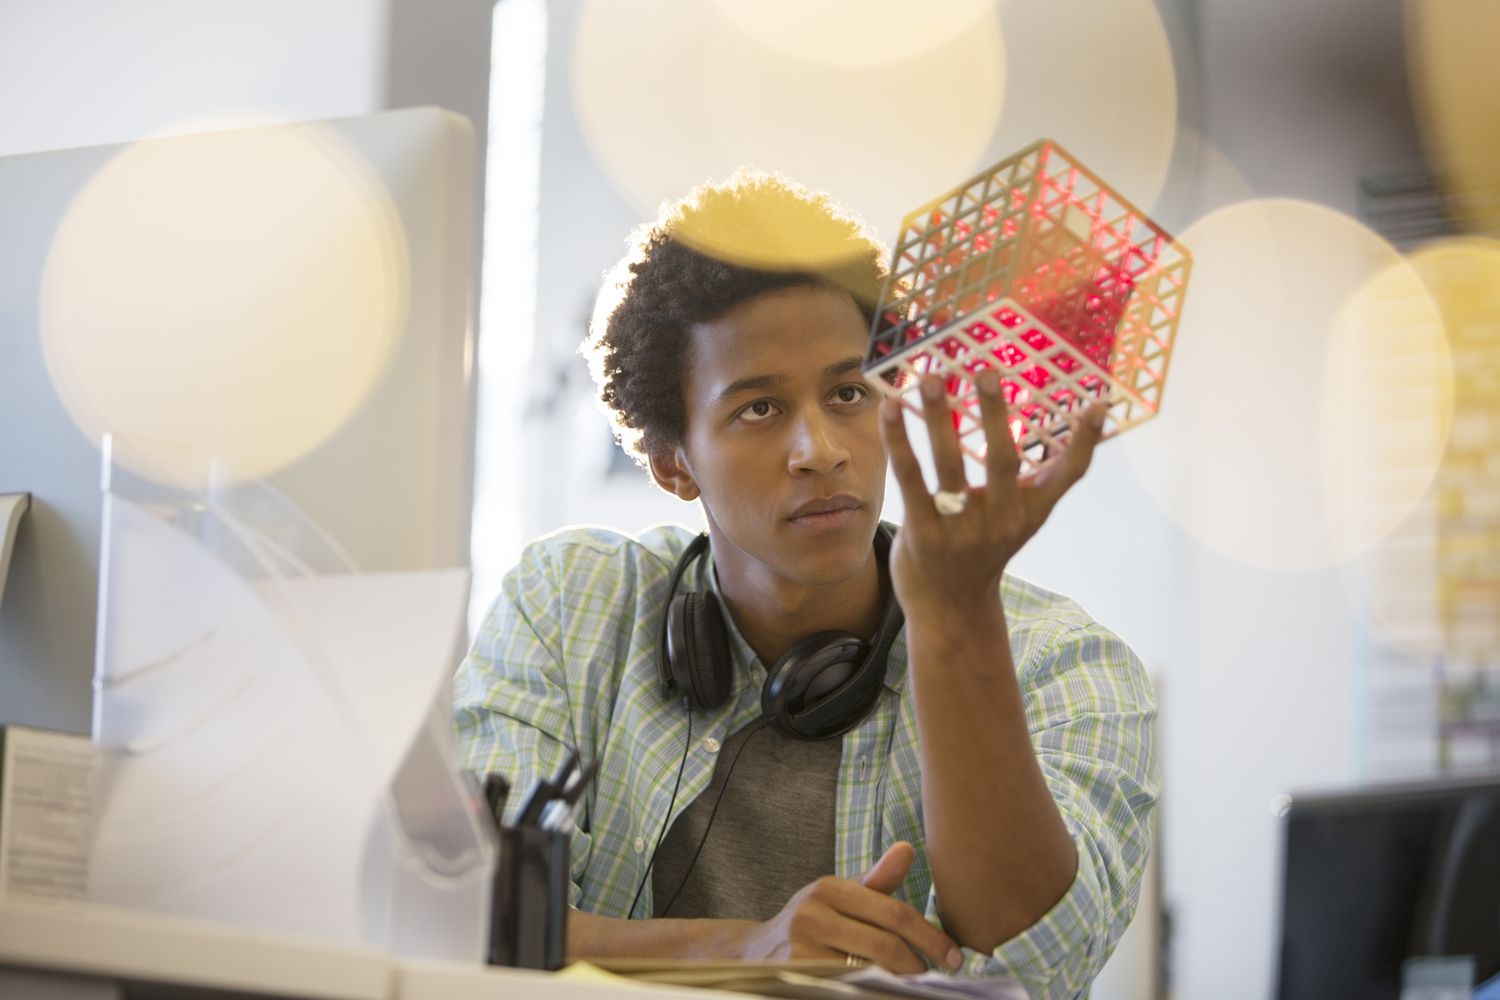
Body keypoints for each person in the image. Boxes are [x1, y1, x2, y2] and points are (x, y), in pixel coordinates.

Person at [453, 170, 1159, 998]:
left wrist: (956, 616)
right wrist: (748, 952)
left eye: (849, 392)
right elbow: (466, 917)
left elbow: (1032, 969)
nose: (820, 450)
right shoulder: (570, 604)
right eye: (759, 408)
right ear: (674, 462)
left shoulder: (1065, 663)